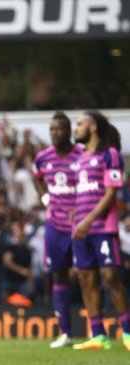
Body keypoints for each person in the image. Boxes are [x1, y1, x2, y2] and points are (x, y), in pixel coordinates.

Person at [70, 110, 130, 351]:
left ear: (93, 127)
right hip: (81, 229)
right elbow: (83, 192)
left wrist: (88, 220)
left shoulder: (110, 155)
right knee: (86, 279)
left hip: (103, 228)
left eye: (80, 124)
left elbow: (111, 193)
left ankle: (126, 332)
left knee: (109, 277)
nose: (76, 128)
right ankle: (98, 335)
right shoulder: (80, 159)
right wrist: (77, 215)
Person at [32, 111, 82, 348]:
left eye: (59, 129)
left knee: (91, 275)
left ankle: (98, 327)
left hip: (81, 224)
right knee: (58, 274)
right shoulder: (43, 157)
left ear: (69, 131)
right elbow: (36, 176)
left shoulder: (81, 156)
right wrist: (43, 195)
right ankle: (65, 332)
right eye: (52, 129)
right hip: (55, 225)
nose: (55, 133)